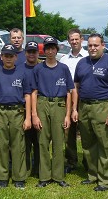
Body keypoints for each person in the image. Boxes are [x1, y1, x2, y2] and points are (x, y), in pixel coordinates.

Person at [74, 33, 108, 192]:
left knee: (107, 145)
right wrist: (75, 108)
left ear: (103, 45)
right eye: (90, 45)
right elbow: (76, 87)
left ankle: (106, 180)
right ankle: (93, 175)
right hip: (85, 107)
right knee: (88, 144)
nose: (93, 48)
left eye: (96, 45)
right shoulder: (82, 63)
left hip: (104, 107)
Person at [31, 36, 73, 188]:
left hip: (59, 105)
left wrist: (68, 114)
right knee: (43, 141)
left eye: (52, 48)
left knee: (58, 141)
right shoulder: (38, 68)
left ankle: (58, 176)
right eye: (47, 48)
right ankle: (44, 176)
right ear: (44, 50)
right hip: (42, 104)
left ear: (57, 50)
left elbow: (69, 92)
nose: (50, 51)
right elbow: (34, 92)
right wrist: (34, 115)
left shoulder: (63, 68)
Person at [0, 44, 32, 189]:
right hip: (0, 111)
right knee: (1, 144)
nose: (8, 58)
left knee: (18, 144)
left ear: (16, 57)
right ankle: (2, 177)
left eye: (11, 56)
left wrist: (28, 117)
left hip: (17, 112)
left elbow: (27, 95)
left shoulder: (22, 73)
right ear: (1, 57)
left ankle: (18, 177)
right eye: (5, 56)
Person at [59, 28, 89, 174]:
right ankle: (71, 161)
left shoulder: (89, 56)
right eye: (72, 39)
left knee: (85, 130)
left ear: (81, 39)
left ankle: (88, 161)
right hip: (68, 98)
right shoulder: (64, 59)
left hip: (84, 98)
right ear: (68, 41)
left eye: (77, 39)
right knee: (68, 131)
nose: (74, 41)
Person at [23, 41, 40, 177]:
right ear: (25, 53)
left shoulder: (42, 68)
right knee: (25, 141)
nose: (31, 54)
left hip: (40, 108)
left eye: (34, 51)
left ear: (38, 53)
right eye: (29, 52)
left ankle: (39, 167)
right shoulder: (20, 69)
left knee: (40, 140)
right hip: (23, 109)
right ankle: (27, 167)